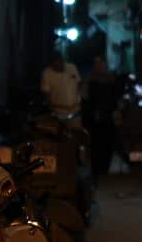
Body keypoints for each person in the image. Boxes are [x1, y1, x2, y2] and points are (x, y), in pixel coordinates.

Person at [83, 54, 120, 182]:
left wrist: (114, 112)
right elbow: (86, 98)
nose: (99, 66)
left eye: (101, 63)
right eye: (96, 63)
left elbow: (114, 98)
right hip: (94, 118)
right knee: (95, 145)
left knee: (107, 144)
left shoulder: (109, 78)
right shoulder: (90, 79)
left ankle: (104, 170)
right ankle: (96, 171)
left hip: (107, 117)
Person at [40, 51, 82, 123]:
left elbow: (79, 83)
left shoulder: (72, 67)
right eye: (55, 65)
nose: (59, 66)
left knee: (76, 132)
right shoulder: (47, 73)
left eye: (60, 62)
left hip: (76, 111)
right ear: (51, 64)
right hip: (59, 112)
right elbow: (46, 93)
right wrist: (51, 108)